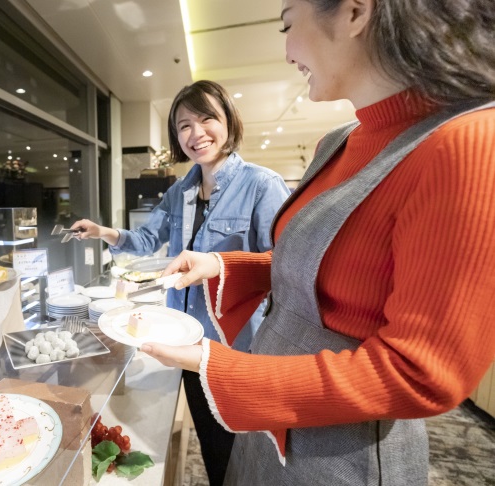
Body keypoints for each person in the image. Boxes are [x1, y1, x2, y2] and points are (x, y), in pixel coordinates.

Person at [141, 0, 495, 484]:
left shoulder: (467, 141)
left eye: (288, 25)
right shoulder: (341, 141)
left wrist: (221, 366)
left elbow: (421, 373)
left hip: (338, 447)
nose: (288, 51)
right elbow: (320, 263)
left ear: (354, 13)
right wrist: (226, 267)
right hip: (272, 414)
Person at [71, 80, 290, 484]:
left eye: (207, 119)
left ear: (228, 121)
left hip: (236, 346)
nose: (196, 133)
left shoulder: (262, 185)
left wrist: (220, 264)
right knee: (211, 443)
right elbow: (146, 239)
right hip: (187, 341)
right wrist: (104, 232)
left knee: (242, 448)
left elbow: (285, 265)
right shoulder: (180, 190)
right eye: (184, 125)